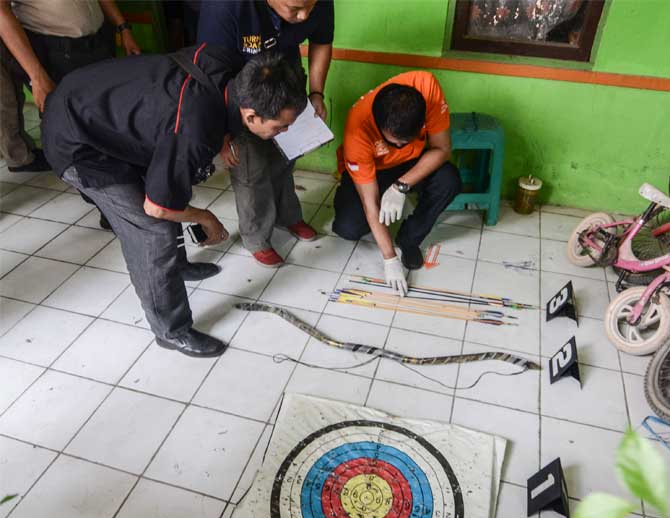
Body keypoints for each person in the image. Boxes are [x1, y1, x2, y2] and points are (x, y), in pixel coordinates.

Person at [41, 46, 308, 357]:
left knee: (174, 182)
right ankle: (171, 330)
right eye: (280, 127)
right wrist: (206, 217)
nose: (285, 131)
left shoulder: (232, 72)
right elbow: (157, 207)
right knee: (153, 232)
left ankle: (178, 266)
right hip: (79, 144)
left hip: (104, 112)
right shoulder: (195, 130)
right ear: (250, 114)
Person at [197, 0, 334, 268]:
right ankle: (256, 237)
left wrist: (316, 92)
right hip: (241, 99)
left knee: (287, 158)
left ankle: (288, 215)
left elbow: (322, 41)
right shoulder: (225, 7)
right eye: (294, 9)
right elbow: (211, 72)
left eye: (309, 7)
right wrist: (223, 133)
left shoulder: (314, 3)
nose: (304, 15)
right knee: (251, 170)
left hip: (287, 89)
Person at [332, 71, 461, 296]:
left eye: (407, 140)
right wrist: (390, 259)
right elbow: (370, 202)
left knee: (449, 180)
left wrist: (401, 186)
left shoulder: (427, 87)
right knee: (348, 228)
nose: (400, 145)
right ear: (379, 126)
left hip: (413, 163)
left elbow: (442, 149)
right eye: (396, 142)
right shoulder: (358, 129)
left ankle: (409, 238)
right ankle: (350, 198)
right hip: (375, 170)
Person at [0, 0, 140, 176]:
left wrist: (123, 27)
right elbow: (2, 13)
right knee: (73, 127)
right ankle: (98, 185)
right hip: (55, 47)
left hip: (98, 39)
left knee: (109, 113)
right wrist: (36, 76)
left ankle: (121, 171)